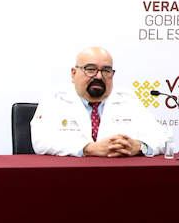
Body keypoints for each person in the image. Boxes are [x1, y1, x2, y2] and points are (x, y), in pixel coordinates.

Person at [31, 47, 167, 157]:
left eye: (106, 71)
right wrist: (89, 148)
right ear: (74, 74)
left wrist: (138, 146)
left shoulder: (128, 100)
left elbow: (163, 138)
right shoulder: (55, 99)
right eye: (90, 69)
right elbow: (41, 141)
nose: (99, 76)